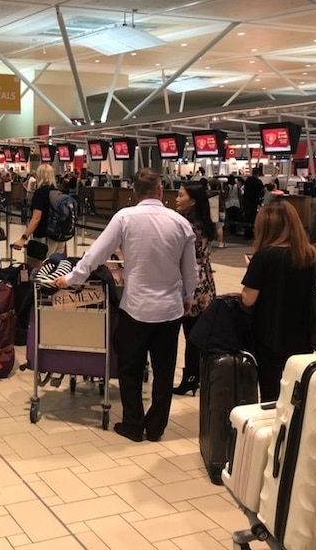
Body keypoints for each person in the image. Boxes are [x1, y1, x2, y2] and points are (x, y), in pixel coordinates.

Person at [54, 169, 198, 442]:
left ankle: (133, 424)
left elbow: (96, 253)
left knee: (130, 369)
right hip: (169, 310)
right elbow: (191, 270)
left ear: (134, 192)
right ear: (159, 190)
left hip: (136, 308)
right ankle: (156, 428)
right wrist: (187, 297)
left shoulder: (124, 218)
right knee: (164, 371)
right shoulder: (181, 223)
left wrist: (73, 278)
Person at [239, 199, 316, 401]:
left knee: (271, 393)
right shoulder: (311, 255)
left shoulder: (264, 257)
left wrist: (251, 270)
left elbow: (248, 299)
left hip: (270, 336)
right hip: (303, 334)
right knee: (296, 392)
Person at [173, 182, 217, 396]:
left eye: (181, 195)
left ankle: (191, 377)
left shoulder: (188, 225)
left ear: (193, 200)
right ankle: (195, 376)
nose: (177, 199)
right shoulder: (204, 222)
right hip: (204, 281)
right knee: (194, 333)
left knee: (189, 333)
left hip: (190, 281)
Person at [12, 164, 67, 262]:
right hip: (58, 237)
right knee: (55, 268)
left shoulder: (40, 193)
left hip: (43, 238)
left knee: (38, 268)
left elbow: (36, 218)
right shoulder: (58, 192)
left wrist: (23, 238)